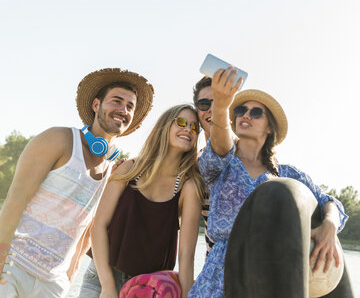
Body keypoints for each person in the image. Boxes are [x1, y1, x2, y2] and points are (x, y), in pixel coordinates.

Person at [187, 68, 349, 298]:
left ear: (269, 126)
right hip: (221, 275)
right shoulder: (221, 164)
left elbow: (329, 202)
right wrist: (222, 106)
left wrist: (330, 226)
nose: (246, 115)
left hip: (271, 273)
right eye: (241, 110)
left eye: (256, 113)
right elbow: (219, 142)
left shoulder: (288, 174)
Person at [0, 68, 154, 298]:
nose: (123, 110)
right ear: (96, 105)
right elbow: (15, 200)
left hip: (53, 284)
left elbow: (91, 229)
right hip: (12, 268)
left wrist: (69, 275)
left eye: (130, 106)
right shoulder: (58, 139)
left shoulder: (115, 171)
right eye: (117, 101)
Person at [78, 104, 205, 298]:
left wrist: (188, 295)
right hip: (102, 278)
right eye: (181, 122)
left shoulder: (188, 187)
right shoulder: (129, 169)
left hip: (149, 289)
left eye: (195, 127)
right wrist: (108, 286)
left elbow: (186, 256)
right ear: (164, 127)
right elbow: (98, 226)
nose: (188, 129)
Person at [192, 76, 216, 256]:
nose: (213, 109)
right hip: (213, 269)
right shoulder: (194, 164)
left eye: (220, 102)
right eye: (204, 104)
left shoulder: (251, 154)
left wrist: (325, 222)